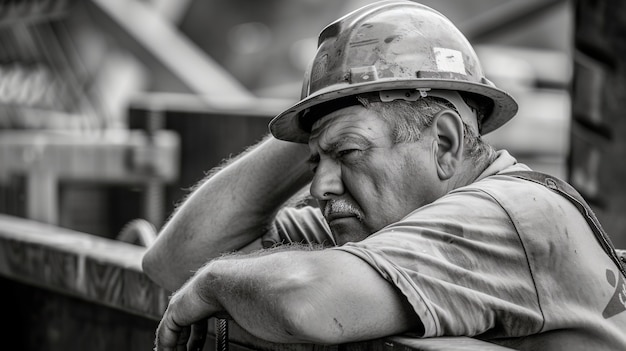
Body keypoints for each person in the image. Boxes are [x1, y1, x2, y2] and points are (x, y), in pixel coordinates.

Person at [143, 1, 626, 350]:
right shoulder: (392, 226)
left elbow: (308, 301)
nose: (319, 187)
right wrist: (323, 119)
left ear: (444, 143)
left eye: (349, 152)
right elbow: (175, 261)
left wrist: (211, 285)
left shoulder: (515, 216)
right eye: (315, 162)